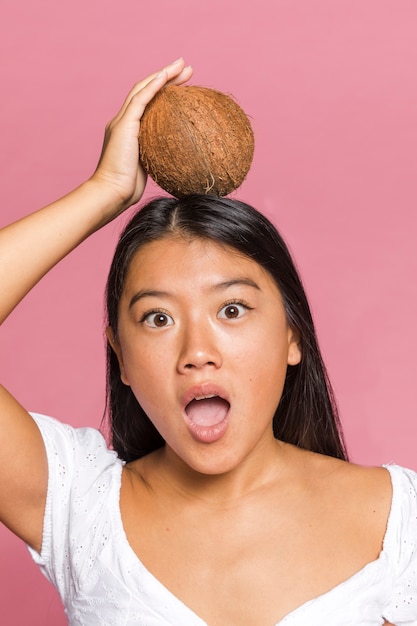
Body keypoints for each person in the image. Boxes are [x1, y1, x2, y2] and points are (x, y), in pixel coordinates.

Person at [0, 58, 416, 626]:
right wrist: (104, 192)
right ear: (119, 357)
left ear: (293, 335)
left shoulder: (403, 521)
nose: (198, 350)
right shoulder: (80, 507)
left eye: (232, 309)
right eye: (157, 319)